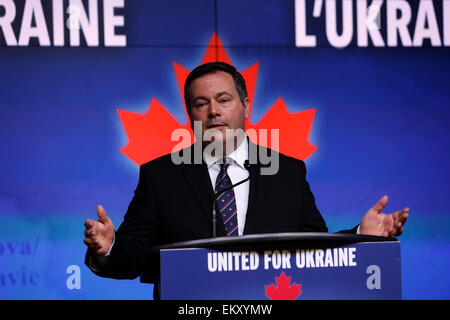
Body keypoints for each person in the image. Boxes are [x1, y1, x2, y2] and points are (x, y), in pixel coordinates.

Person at [84, 62, 409, 296]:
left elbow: (315, 253)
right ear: (190, 115)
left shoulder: (287, 173)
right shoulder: (161, 176)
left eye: (224, 100)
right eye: (201, 103)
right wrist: (109, 247)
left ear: (245, 106)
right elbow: (133, 258)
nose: (213, 111)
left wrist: (360, 235)